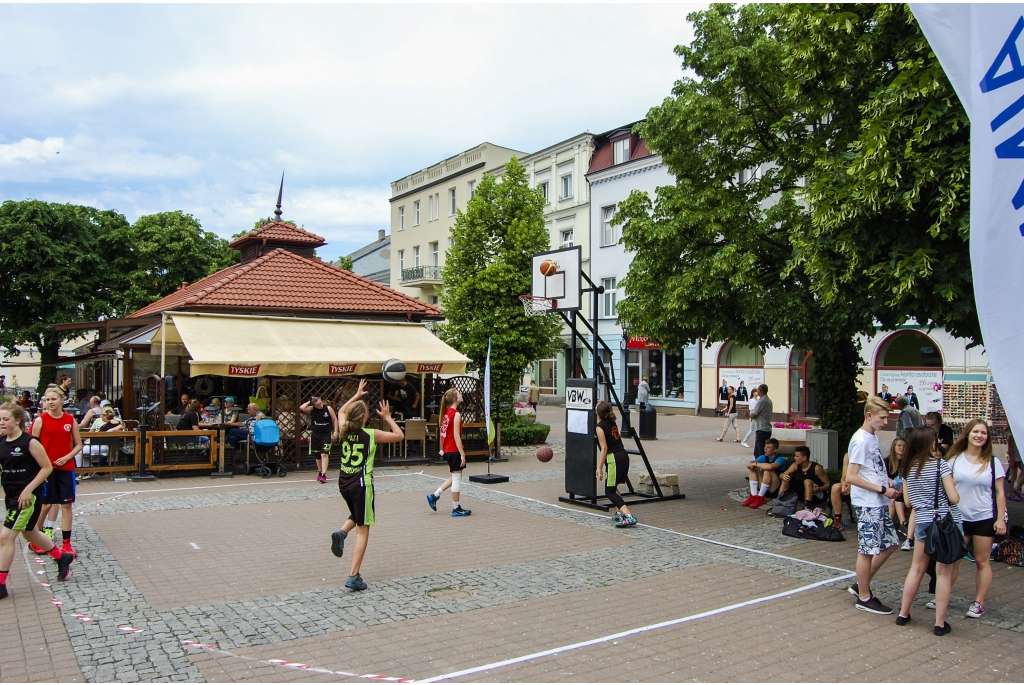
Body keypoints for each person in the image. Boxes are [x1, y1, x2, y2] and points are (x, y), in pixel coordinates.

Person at [330, 380, 404, 591]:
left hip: (344, 482)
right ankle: (353, 576)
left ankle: (342, 533)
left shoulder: (344, 429)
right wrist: (388, 417)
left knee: (357, 514)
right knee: (363, 529)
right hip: (362, 484)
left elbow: (341, 410)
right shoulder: (370, 435)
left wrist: (356, 395)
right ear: (364, 417)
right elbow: (399, 435)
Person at [0, 402, 76, 597]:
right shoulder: (1, 442)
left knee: (5, 538)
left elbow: (46, 467)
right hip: (11, 495)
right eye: (0, 419)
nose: (1, 422)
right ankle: (62, 557)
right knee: (30, 533)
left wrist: (28, 490)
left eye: (5, 419)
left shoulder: (30, 442)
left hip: (26, 498)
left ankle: (0, 585)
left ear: (17, 420)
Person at [895, 427, 962, 635]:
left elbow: (907, 501)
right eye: (935, 439)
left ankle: (903, 613)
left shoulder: (908, 467)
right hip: (942, 522)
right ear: (929, 443)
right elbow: (954, 498)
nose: (938, 441)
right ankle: (939, 623)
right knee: (943, 573)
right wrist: (953, 485)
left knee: (916, 569)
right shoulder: (940, 465)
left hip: (922, 521)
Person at [845, 396, 899, 615]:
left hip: (877, 500)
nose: (886, 422)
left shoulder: (872, 437)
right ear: (869, 416)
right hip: (868, 503)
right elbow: (851, 476)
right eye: (882, 418)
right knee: (867, 550)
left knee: (891, 542)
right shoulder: (860, 440)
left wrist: (885, 480)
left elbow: (872, 469)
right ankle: (864, 597)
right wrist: (881, 489)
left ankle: (861, 583)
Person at [947, 418, 1006, 620]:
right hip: (958, 517)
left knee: (982, 561)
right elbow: (946, 487)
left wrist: (1000, 519)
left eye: (983, 433)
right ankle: (942, 595)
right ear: (968, 434)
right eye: (976, 432)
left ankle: (978, 602)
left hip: (983, 517)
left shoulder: (993, 462)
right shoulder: (954, 459)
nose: (979, 436)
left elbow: (1000, 492)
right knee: (952, 560)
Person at [31, 386, 82, 555]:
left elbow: (78, 445)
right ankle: (35, 538)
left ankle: (66, 543)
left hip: (66, 468)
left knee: (66, 505)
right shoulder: (40, 421)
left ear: (61, 400)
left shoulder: (70, 420)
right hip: (47, 469)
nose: (50, 402)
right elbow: (32, 445)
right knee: (45, 505)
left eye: (53, 399)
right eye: (47, 400)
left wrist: (67, 457)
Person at [426, 389, 472, 516]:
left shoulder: (445, 413)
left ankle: (435, 495)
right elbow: (457, 436)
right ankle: (456, 508)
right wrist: (462, 453)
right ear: (454, 399)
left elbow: (443, 433)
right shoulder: (455, 414)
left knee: (455, 475)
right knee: (457, 478)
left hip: (447, 449)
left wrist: (443, 448)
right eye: (459, 394)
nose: (461, 394)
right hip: (454, 449)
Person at [593, 401, 636, 527]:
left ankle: (628, 515)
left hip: (614, 459)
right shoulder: (612, 422)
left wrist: (599, 467)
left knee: (609, 491)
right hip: (623, 455)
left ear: (598, 412)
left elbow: (604, 448)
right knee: (613, 486)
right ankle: (619, 512)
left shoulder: (599, 427)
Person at [779, 446, 831, 510]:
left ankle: (807, 507)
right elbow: (782, 474)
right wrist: (783, 476)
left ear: (804, 458)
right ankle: (779, 502)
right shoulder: (796, 465)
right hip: (803, 491)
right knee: (786, 480)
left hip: (816, 494)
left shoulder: (816, 468)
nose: (795, 458)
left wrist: (820, 489)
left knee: (807, 481)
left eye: (797, 456)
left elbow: (828, 484)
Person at [300, 396, 338, 484]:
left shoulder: (328, 408)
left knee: (324, 453)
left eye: (320, 403)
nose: (320, 406)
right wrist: (310, 402)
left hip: (326, 433)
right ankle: (320, 471)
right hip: (316, 434)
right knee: (317, 455)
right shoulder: (312, 409)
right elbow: (302, 408)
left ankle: (324, 474)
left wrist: (335, 432)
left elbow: (335, 419)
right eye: (317, 405)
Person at [742, 438, 786, 509]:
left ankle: (761, 497)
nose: (765, 449)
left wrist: (755, 464)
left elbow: (770, 467)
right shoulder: (763, 457)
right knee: (753, 469)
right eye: (765, 446)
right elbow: (749, 464)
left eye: (768, 447)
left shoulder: (780, 459)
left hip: (775, 489)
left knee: (767, 471)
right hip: (764, 486)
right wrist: (753, 464)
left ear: (775, 450)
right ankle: (754, 495)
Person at [887, 437, 910, 537]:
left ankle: (902, 524)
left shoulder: (909, 461)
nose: (902, 448)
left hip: (905, 490)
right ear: (894, 447)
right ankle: (889, 528)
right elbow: (883, 476)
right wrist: (890, 481)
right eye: (899, 445)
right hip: (890, 489)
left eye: (904, 446)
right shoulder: (887, 461)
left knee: (895, 499)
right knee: (891, 501)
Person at [748, 384, 773, 460]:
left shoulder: (761, 401)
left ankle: (761, 468)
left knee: (760, 452)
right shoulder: (769, 401)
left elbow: (753, 414)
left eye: (758, 390)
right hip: (767, 428)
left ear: (760, 390)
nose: (757, 392)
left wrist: (748, 415)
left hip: (761, 429)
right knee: (763, 451)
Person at [830, 452, 852, 530]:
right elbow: (844, 475)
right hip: (850, 482)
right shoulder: (847, 455)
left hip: (862, 484)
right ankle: (838, 520)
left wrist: (853, 485)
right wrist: (844, 484)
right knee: (836, 487)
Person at [1006, 427, 1024, 501]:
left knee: (1015, 475)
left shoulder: (1017, 434)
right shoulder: (1010, 435)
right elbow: (1010, 449)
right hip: (1014, 458)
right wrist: (1012, 460)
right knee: (1013, 476)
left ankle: (1016, 490)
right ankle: (1010, 494)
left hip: (1018, 457)